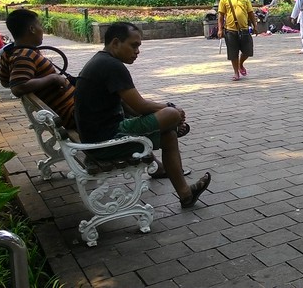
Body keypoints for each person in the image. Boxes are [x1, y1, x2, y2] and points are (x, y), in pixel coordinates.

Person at [75, 22, 211, 208]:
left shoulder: (102, 61)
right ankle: (173, 125)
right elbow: (140, 105)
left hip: (96, 139)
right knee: (170, 114)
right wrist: (172, 110)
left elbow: (131, 106)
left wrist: (167, 117)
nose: (137, 51)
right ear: (115, 43)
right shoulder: (111, 66)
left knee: (169, 135)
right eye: (134, 45)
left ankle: (185, 194)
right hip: (105, 141)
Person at [0, 9, 76, 129]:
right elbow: (18, 87)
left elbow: (5, 81)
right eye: (39, 25)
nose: (42, 30)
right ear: (32, 29)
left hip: (73, 109)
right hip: (73, 114)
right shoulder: (24, 55)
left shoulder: (9, 53)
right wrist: (53, 78)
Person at [217, 0, 259, 81]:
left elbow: (250, 13)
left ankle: (241, 64)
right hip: (230, 30)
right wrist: (220, 29)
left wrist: (255, 25)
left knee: (248, 51)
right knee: (233, 53)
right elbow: (221, 16)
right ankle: (236, 72)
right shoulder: (224, 0)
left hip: (244, 29)